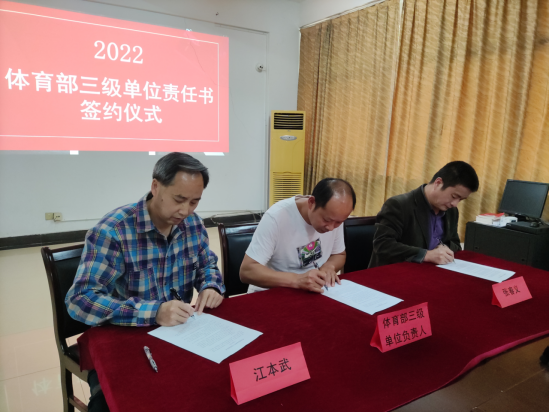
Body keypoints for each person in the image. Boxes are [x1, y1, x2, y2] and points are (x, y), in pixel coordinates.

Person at [66, 152, 225, 411]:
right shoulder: (114, 231)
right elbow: (80, 300)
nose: (185, 211)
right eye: (179, 199)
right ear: (155, 186)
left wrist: (211, 284)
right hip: (125, 338)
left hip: (180, 334)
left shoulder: (192, 224)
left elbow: (207, 264)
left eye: (194, 202)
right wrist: (154, 312)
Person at [240, 178, 356, 294]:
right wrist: (297, 280)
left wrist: (329, 266)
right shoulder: (276, 217)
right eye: (326, 220)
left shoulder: (335, 216)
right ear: (311, 203)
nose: (331, 228)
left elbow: (339, 254)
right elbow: (247, 271)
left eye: (339, 222)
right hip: (273, 292)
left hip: (311, 291)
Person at [369, 161, 479, 269]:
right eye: (454, 196)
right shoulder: (399, 205)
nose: (455, 204)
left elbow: (455, 244)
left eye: (461, 199)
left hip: (431, 271)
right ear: (438, 183)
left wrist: (442, 249)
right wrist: (427, 254)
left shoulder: (451, 211)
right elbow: (382, 245)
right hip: (395, 272)